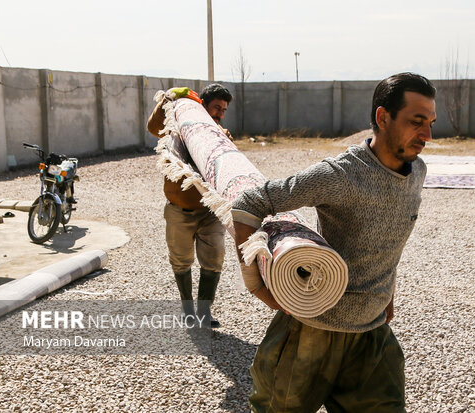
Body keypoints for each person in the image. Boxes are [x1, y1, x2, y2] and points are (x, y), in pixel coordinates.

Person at [232, 72, 436, 411]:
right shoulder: (339, 175)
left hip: (371, 338)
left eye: (430, 123)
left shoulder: (417, 172)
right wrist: (256, 284)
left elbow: (392, 236)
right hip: (310, 333)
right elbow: (249, 203)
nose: (427, 135)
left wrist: (388, 294)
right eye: (417, 122)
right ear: (383, 118)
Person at [147, 83, 233, 328]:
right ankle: (187, 311)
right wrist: (168, 100)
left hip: (210, 212)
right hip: (179, 210)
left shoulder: (220, 135)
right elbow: (153, 128)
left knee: (214, 257)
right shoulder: (177, 129)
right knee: (181, 260)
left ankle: (204, 313)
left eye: (224, 110)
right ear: (202, 105)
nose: (219, 113)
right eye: (216, 107)